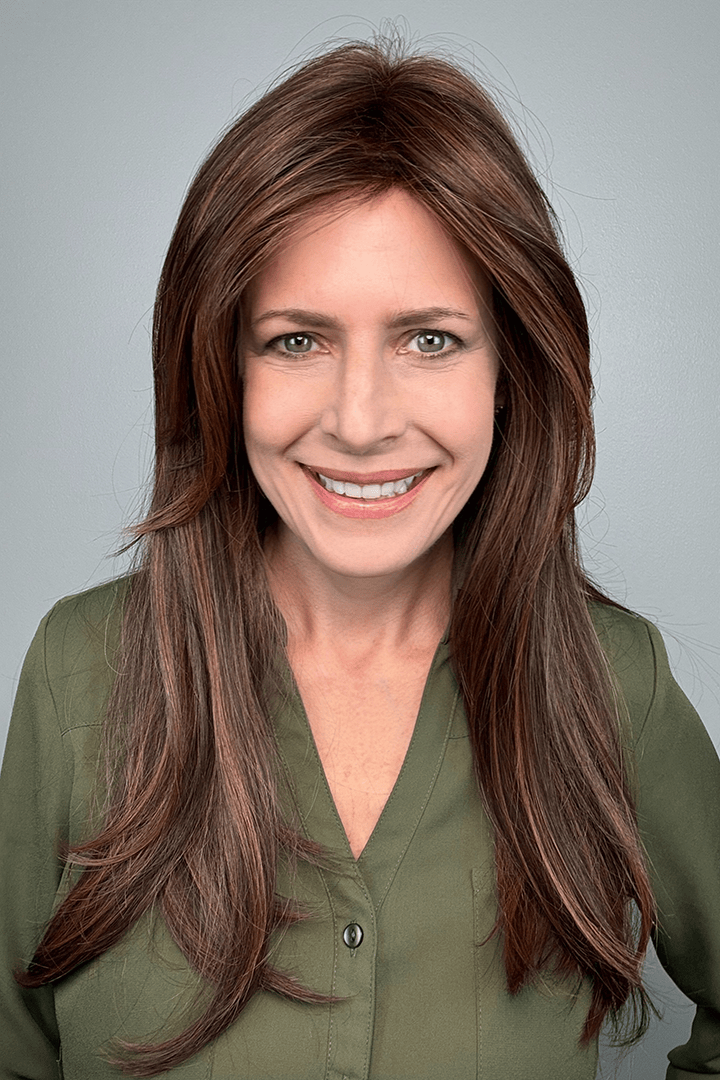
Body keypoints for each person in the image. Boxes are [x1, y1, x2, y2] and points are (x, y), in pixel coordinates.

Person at [1, 35, 719, 1080]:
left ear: (510, 369)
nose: (362, 420)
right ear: (222, 367)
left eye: (429, 338)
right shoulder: (77, 672)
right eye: (298, 339)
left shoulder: (614, 689)